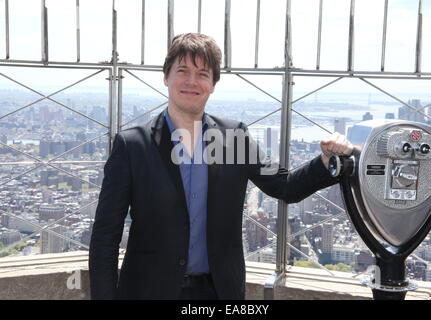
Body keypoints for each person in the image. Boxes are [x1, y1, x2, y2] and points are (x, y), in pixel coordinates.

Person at [89, 33, 353, 300]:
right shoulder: (133, 145)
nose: (192, 81)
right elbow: (105, 237)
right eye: (183, 71)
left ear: (213, 84)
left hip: (218, 291)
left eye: (203, 74)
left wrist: (328, 160)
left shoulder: (232, 137)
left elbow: (286, 186)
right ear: (166, 76)